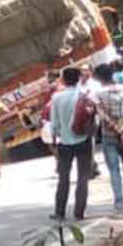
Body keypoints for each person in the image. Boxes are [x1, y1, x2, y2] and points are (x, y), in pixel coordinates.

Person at [94, 65, 123, 216]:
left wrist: (118, 131)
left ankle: (119, 205)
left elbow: (104, 116)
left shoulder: (99, 94)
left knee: (114, 171)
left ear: (100, 78)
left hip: (110, 135)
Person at [49, 68, 92, 221]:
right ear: (79, 78)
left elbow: (53, 123)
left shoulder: (56, 97)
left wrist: (54, 139)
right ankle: (79, 212)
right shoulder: (85, 93)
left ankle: (59, 212)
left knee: (63, 178)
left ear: (63, 80)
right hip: (83, 139)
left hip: (65, 142)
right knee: (83, 177)